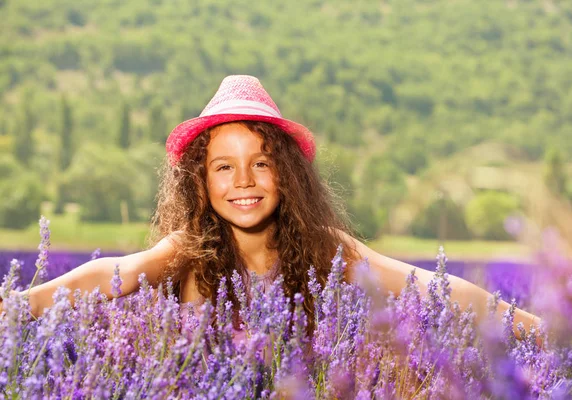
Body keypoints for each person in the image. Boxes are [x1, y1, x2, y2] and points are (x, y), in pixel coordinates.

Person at [2, 75, 539, 338]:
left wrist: (540, 330)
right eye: (222, 167)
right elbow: (108, 276)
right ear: (200, 182)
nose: (243, 181)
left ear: (287, 174)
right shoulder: (185, 253)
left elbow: (434, 288)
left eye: (261, 162)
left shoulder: (329, 251)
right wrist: (16, 308)